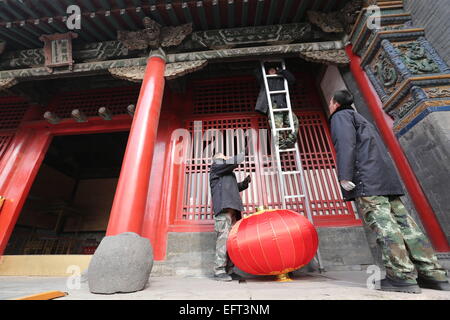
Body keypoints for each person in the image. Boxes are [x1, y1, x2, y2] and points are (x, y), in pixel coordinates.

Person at [328, 89, 449, 294]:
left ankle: (401, 275)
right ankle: (433, 273)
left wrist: (344, 175)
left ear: (336, 104)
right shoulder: (361, 118)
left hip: (367, 179)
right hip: (384, 178)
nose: (330, 105)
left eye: (331, 102)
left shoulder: (340, 117)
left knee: (384, 225)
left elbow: (346, 145)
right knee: (406, 224)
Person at [209, 152, 251, 281]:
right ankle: (219, 270)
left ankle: (230, 270)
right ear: (218, 158)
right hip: (224, 212)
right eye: (224, 156)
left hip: (233, 212)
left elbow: (234, 188)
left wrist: (244, 183)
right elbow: (232, 161)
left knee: (231, 242)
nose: (227, 157)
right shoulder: (216, 166)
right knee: (223, 240)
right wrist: (242, 154)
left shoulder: (225, 172)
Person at [255, 65, 299, 149]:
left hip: (283, 105)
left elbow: (292, 79)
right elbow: (257, 72)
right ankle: (280, 143)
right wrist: (263, 65)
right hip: (273, 105)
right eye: (269, 69)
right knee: (277, 126)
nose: (271, 71)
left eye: (273, 69)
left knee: (294, 122)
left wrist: (281, 71)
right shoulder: (264, 78)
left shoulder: (281, 79)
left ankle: (290, 140)